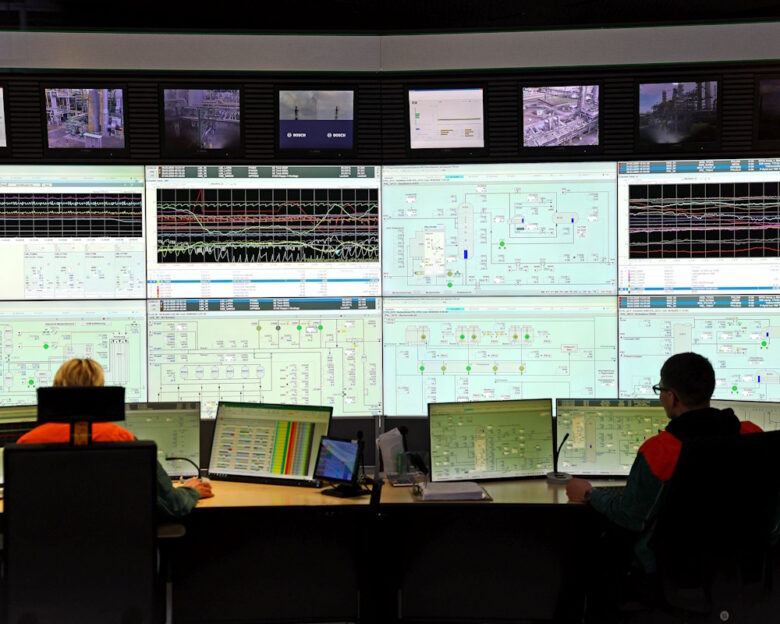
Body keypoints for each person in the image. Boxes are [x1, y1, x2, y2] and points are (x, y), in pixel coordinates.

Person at [565, 352, 764, 619]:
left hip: (670, 578)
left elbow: (630, 516)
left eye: (660, 390)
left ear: (672, 397)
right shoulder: (752, 435)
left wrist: (590, 493)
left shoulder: (661, 451)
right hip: (739, 573)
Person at [17, 358, 213, 518]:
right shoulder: (125, 441)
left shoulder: (27, 444)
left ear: (55, 391)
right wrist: (191, 490)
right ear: (101, 394)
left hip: (45, 553)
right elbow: (172, 504)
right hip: (122, 553)